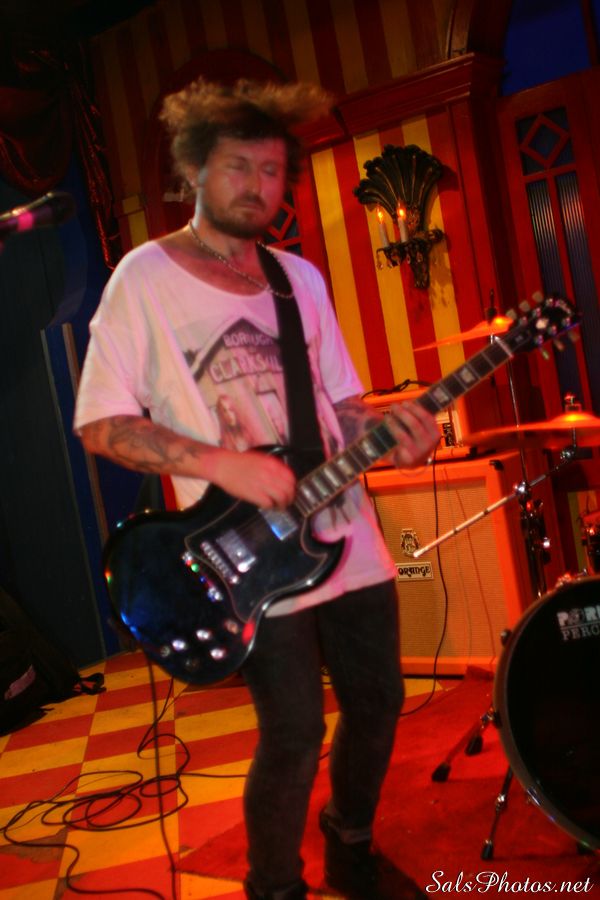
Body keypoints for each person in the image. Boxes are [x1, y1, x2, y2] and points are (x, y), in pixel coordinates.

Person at [74, 78, 440, 900]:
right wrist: (219, 462)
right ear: (194, 168)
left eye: (273, 171)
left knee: (380, 700)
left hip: (344, 533)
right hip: (241, 551)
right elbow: (100, 424)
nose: (258, 186)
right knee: (296, 732)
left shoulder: (298, 279)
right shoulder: (144, 278)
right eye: (239, 166)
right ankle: (273, 886)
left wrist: (396, 433)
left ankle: (350, 842)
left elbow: (341, 402)